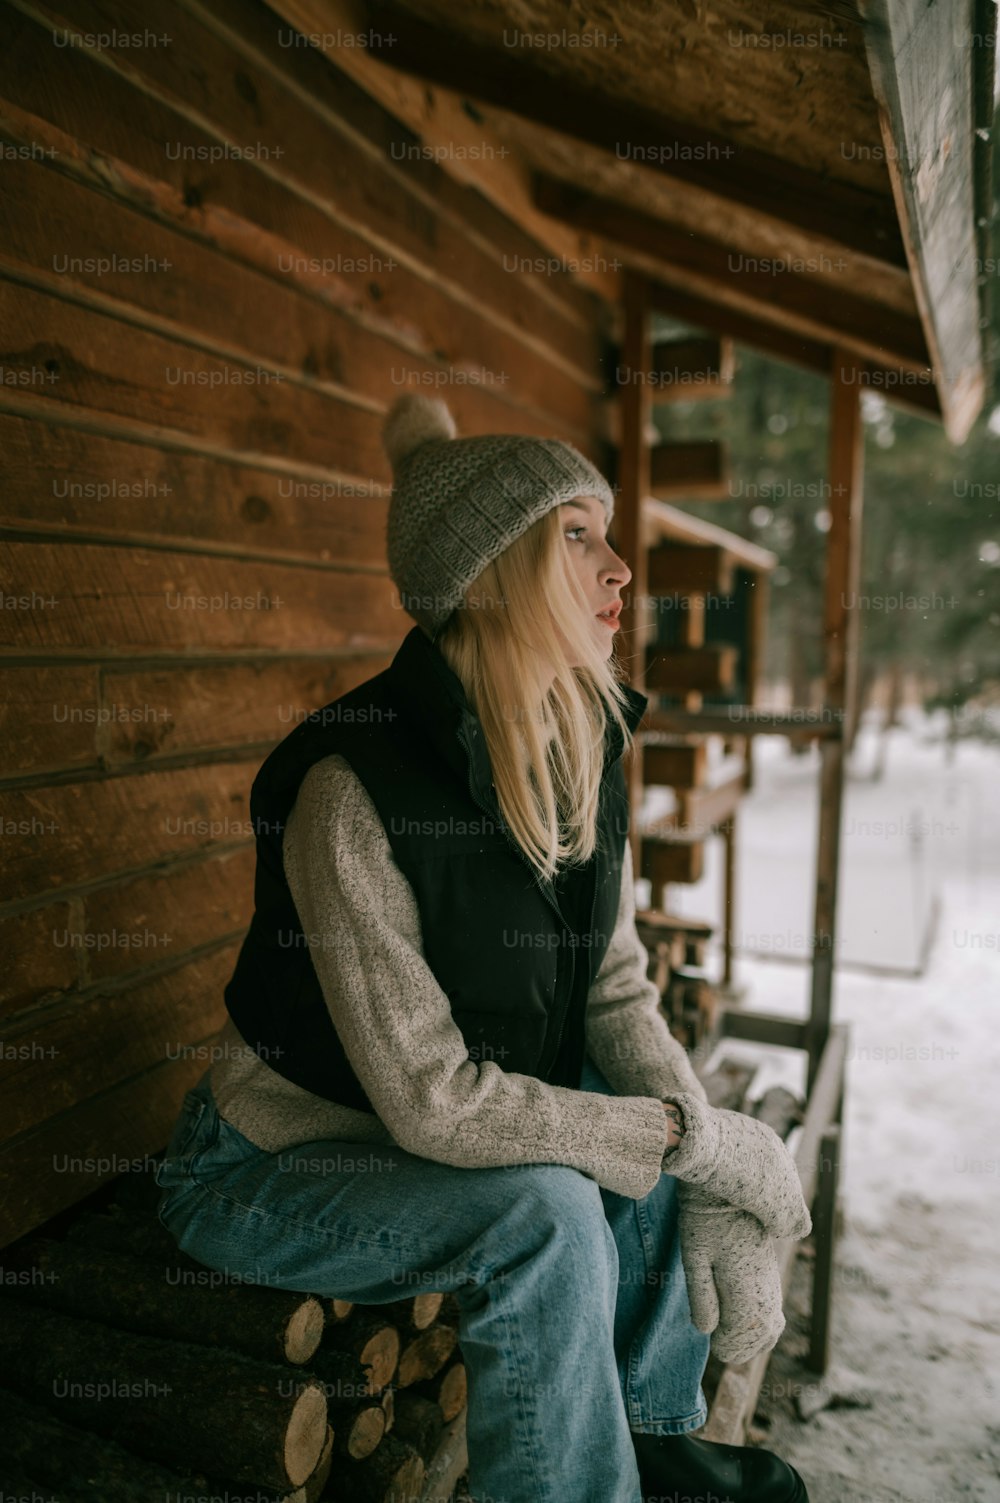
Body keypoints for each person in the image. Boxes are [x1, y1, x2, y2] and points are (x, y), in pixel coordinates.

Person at [156, 394, 812, 1503]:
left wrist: (697, 1154)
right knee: (553, 1212)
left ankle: (650, 1455)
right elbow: (432, 1102)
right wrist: (676, 1133)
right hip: (271, 1168)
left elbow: (612, 993)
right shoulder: (352, 788)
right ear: (490, 568)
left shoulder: (579, 744)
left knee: (639, 1162)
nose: (620, 571)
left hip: (422, 1147)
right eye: (578, 536)